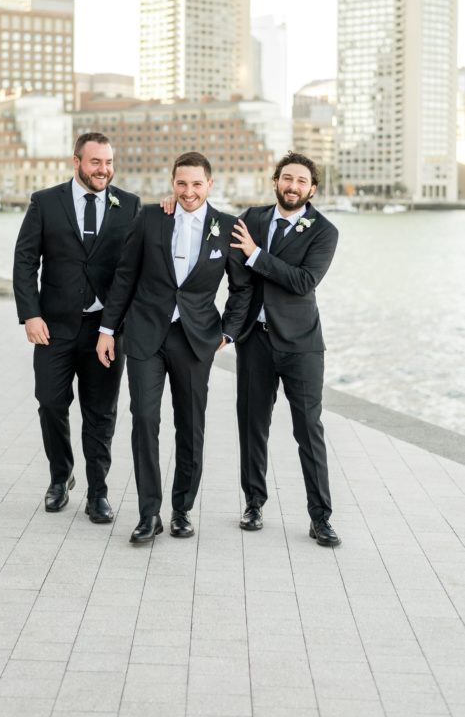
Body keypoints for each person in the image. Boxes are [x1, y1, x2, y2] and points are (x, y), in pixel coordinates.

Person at [96, 152, 252, 544]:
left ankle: (182, 508)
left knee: (191, 425)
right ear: (172, 183)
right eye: (182, 184)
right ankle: (149, 513)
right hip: (146, 335)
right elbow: (125, 276)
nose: (189, 191)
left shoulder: (229, 227)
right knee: (145, 420)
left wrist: (228, 334)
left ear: (210, 185)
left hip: (196, 340)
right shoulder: (150, 218)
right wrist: (106, 329)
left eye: (197, 184)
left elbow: (242, 289)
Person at [13, 132, 141, 522]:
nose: (103, 170)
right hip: (53, 327)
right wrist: (30, 314)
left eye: (108, 162)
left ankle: (98, 491)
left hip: (105, 331)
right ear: (77, 162)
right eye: (95, 162)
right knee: (51, 403)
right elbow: (24, 261)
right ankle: (60, 475)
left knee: (101, 413)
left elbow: (135, 266)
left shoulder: (131, 206)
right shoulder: (45, 202)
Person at [231, 152, 341, 546]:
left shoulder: (324, 231)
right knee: (252, 426)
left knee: (308, 431)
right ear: (275, 181)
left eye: (301, 181)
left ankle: (320, 517)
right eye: (287, 178)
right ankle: (253, 503)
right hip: (255, 342)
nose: (293, 186)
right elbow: (234, 273)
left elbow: (303, 282)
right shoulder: (253, 219)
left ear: (312, 189)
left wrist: (256, 255)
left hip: (302, 347)